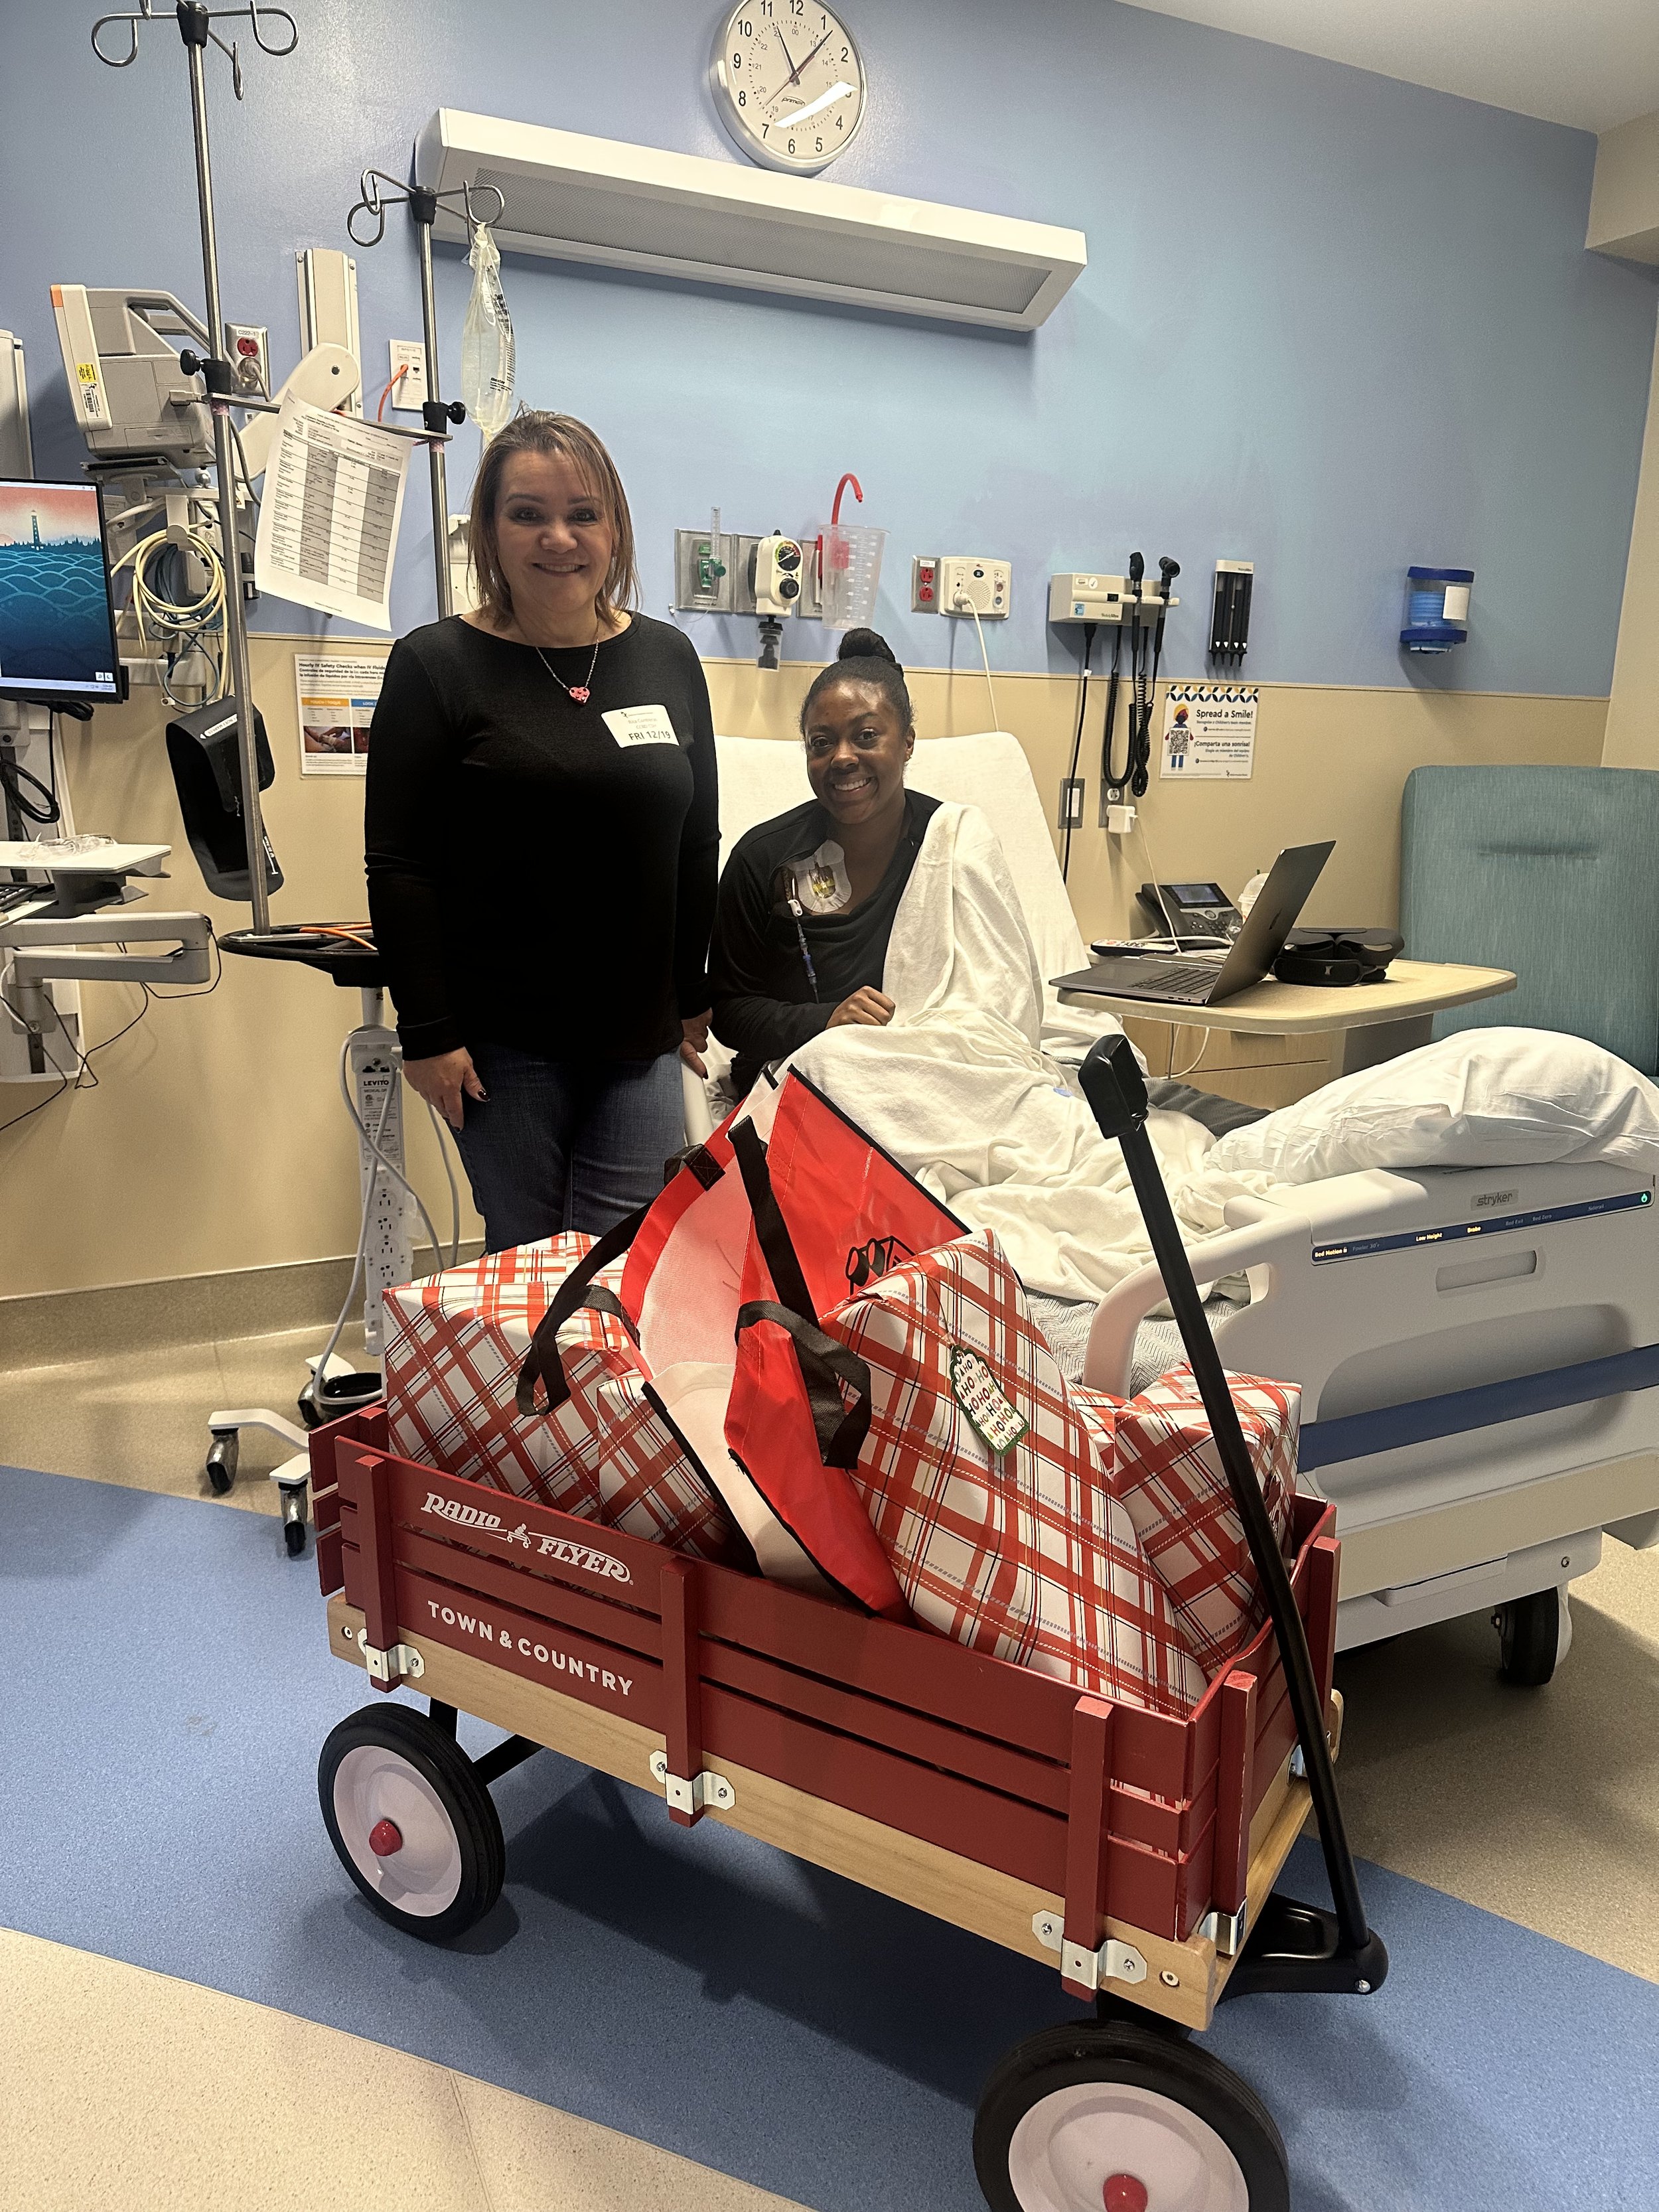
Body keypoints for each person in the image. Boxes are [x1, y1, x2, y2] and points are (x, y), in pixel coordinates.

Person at [364, 412, 717, 1250]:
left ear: (615, 529)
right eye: (526, 513)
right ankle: (518, 1391)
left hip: (639, 1042)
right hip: (500, 1045)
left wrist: (691, 996)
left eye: (582, 514)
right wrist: (429, 1033)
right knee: (525, 1266)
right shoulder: (434, 667)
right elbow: (400, 866)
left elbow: (696, 839)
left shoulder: (668, 658)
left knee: (622, 1269)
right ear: (489, 530)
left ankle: (597, 1392)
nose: (557, 538)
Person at [709, 629, 938, 1098]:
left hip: (923, 1072)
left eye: (867, 736)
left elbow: (994, 985)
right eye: (821, 743)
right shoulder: (763, 858)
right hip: (796, 1080)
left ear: (908, 741)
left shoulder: (949, 842)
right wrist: (827, 1019)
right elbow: (729, 1010)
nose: (843, 758)